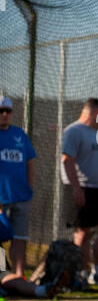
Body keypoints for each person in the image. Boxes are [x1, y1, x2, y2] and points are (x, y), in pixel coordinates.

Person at [61, 98, 98, 287]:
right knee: (83, 232)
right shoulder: (73, 131)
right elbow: (67, 160)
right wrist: (76, 189)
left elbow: (97, 165)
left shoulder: (97, 133)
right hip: (81, 187)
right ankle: (81, 274)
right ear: (93, 113)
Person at [0, 96, 36, 277]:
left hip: (21, 196)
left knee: (20, 238)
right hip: (1, 198)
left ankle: (19, 275)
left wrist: (29, 188)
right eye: (1, 111)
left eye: (8, 111)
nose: (4, 115)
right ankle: (2, 277)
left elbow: (30, 162)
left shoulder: (19, 135)